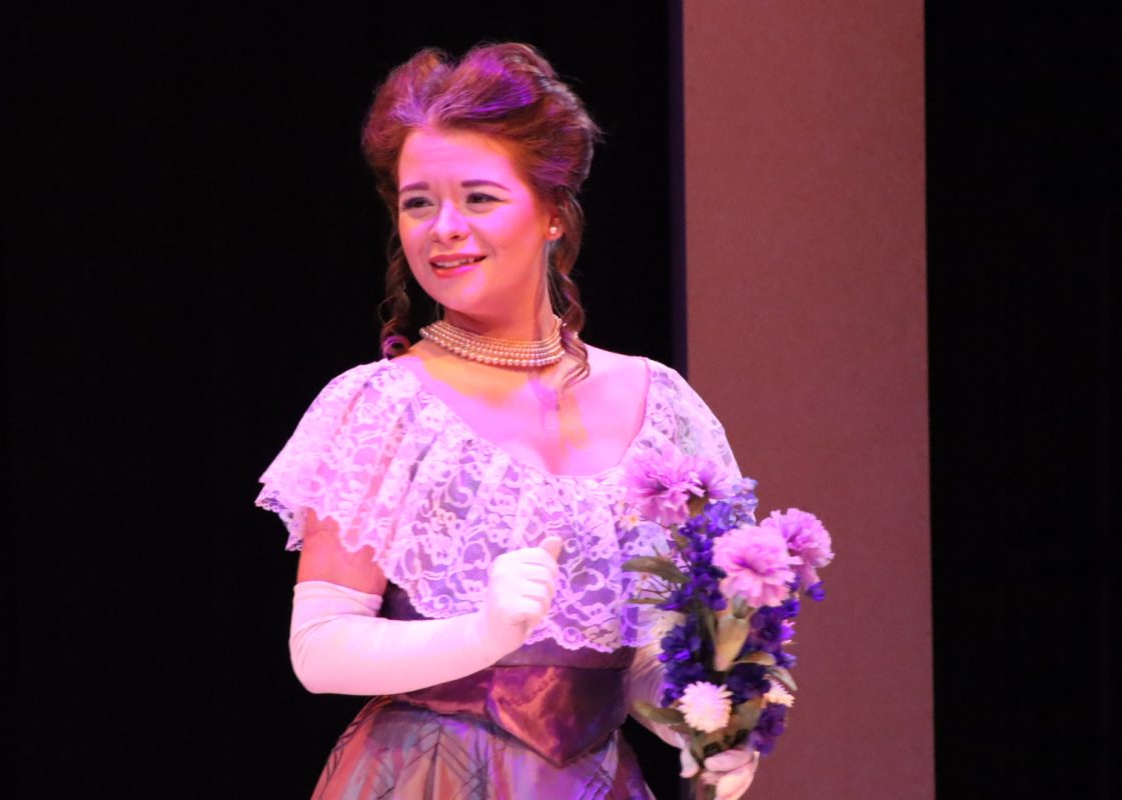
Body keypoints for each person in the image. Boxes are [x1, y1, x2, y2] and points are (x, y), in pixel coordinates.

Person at [256, 43, 758, 800]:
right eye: (418, 201)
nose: (443, 227)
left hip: (590, 781)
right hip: (430, 777)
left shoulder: (663, 406)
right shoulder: (383, 406)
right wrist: (482, 634)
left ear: (553, 212)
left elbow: (648, 654)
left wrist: (707, 722)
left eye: (479, 198)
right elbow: (319, 650)